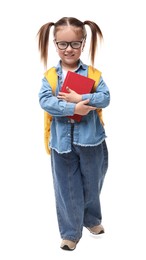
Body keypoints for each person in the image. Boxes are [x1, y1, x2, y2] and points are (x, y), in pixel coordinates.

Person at [37, 17, 110, 251]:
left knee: (92, 184)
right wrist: (72, 109)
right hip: (62, 145)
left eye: (75, 44)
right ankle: (70, 232)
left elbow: (105, 97)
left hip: (91, 142)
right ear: (55, 44)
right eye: (63, 44)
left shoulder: (94, 75)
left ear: (83, 43)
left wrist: (82, 98)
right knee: (68, 188)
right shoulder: (50, 77)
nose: (69, 49)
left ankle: (91, 219)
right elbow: (45, 101)